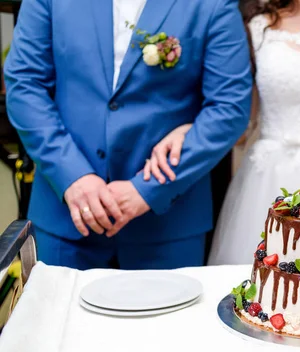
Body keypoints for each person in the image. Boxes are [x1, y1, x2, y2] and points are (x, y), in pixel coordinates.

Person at [143, 0, 300, 265]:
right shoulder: (258, 27)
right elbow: (240, 120)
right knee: (259, 289)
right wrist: (190, 130)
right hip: (265, 185)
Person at [4, 0, 253, 269]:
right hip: (65, 217)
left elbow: (229, 108)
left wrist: (147, 189)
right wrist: (73, 176)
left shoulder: (212, 4)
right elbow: (25, 85)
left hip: (167, 224)